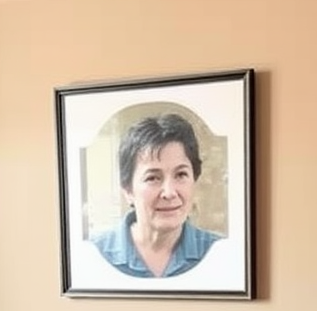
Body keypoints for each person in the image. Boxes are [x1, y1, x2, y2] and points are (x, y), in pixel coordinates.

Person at [91, 113, 223, 279]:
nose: (169, 193)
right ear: (127, 190)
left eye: (181, 175)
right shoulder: (93, 254)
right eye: (152, 178)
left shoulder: (222, 253)